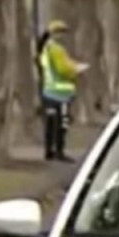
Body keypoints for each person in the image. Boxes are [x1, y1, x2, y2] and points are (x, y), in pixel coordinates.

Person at [37, 20, 85, 162]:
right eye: (62, 33)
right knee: (62, 123)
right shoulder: (57, 50)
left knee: (50, 122)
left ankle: (49, 150)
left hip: (48, 90)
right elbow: (64, 69)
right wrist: (77, 69)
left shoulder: (44, 49)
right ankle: (59, 151)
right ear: (55, 34)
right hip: (61, 93)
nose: (64, 36)